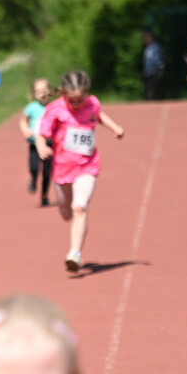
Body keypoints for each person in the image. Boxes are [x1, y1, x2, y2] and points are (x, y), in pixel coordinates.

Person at [36, 71, 125, 272]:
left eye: (80, 100)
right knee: (66, 212)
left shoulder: (92, 103)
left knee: (80, 207)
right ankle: (69, 216)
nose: (76, 105)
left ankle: (74, 253)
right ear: (63, 94)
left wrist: (114, 127)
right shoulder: (54, 109)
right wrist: (42, 146)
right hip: (62, 169)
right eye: (72, 100)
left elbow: (99, 115)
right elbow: (42, 134)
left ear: (87, 94)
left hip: (87, 165)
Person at [19, 77, 54, 207]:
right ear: (34, 94)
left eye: (45, 90)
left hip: (49, 144)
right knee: (34, 167)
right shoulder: (31, 108)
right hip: (34, 144)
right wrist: (25, 130)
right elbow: (23, 121)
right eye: (39, 91)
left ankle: (44, 197)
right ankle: (33, 179)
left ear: (50, 91)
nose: (42, 94)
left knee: (47, 173)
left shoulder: (54, 107)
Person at [140, 27, 164, 101]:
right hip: (148, 71)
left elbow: (158, 59)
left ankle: (154, 103)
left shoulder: (155, 47)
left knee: (154, 89)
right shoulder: (147, 48)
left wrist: (160, 68)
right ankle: (151, 102)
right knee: (148, 89)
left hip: (155, 71)